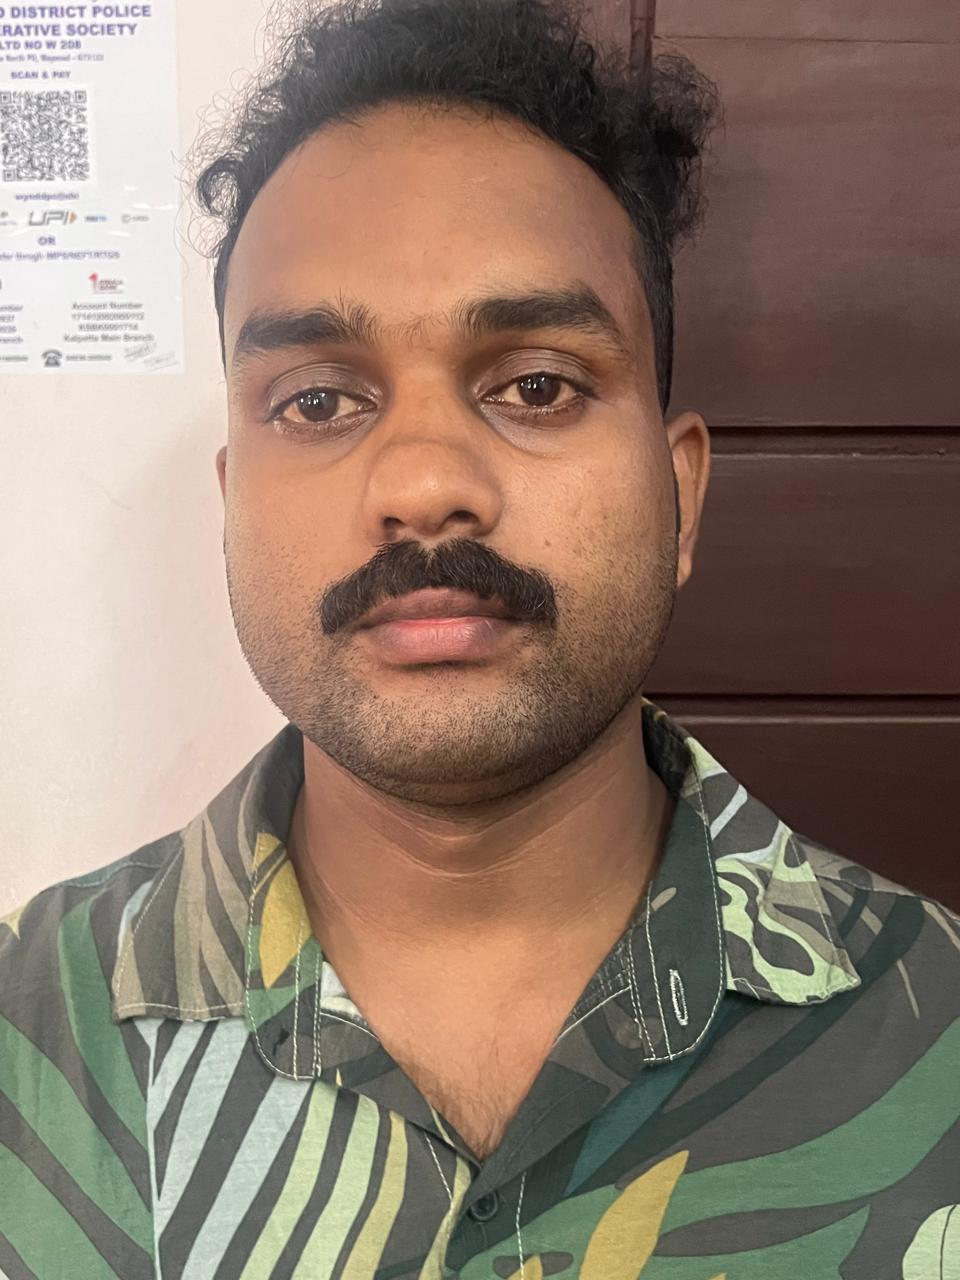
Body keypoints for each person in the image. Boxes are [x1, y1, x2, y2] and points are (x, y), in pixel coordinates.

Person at [2, 0, 958, 1274]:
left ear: (681, 497)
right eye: (319, 400)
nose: (424, 482)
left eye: (537, 385)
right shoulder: (27, 1034)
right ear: (231, 503)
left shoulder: (937, 1028)